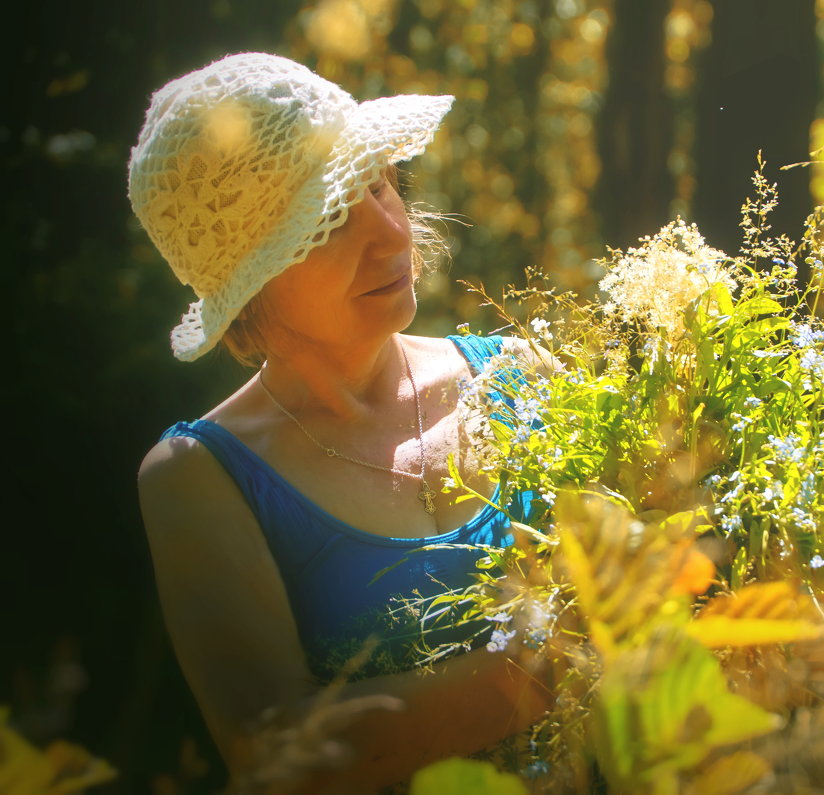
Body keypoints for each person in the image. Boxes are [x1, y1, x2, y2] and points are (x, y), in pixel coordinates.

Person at [129, 52, 550, 792]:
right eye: (327, 221)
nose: (390, 234)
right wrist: (557, 665)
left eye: (379, 183)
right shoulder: (202, 478)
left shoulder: (519, 377)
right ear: (248, 286)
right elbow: (279, 755)